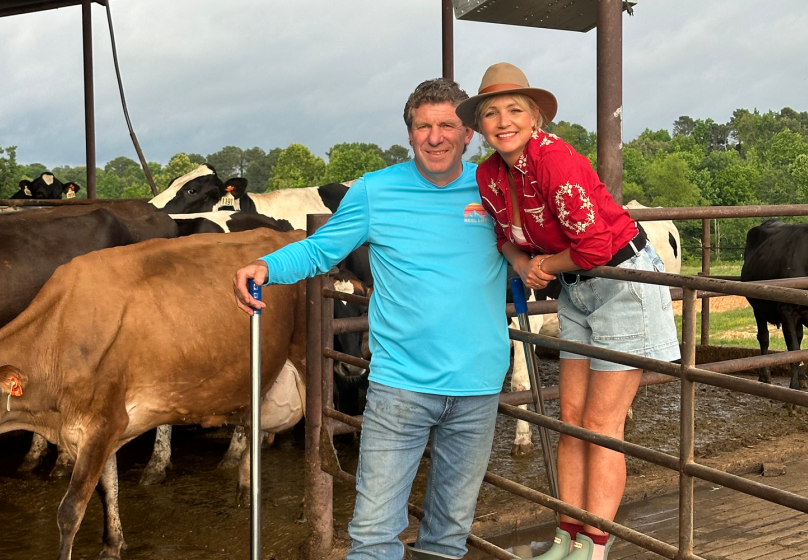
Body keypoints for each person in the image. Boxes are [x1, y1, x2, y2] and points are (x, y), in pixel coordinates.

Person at [233, 78, 510, 560]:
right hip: (400, 386)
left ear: (469, 134)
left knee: (448, 535)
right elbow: (322, 249)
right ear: (409, 134)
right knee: (374, 533)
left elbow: (541, 234)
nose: (436, 136)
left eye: (448, 125)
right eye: (423, 126)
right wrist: (267, 266)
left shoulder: (495, 187)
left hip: (478, 385)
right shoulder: (376, 191)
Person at [456, 63, 680, 560]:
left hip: (622, 281)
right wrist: (524, 263)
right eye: (491, 112)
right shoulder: (490, 175)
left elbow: (597, 243)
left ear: (535, 117)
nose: (503, 120)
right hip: (575, 288)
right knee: (569, 417)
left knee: (602, 423)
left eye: (515, 109)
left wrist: (542, 264)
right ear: (480, 126)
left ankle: (594, 548)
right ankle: (565, 538)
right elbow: (503, 238)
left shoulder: (556, 160)